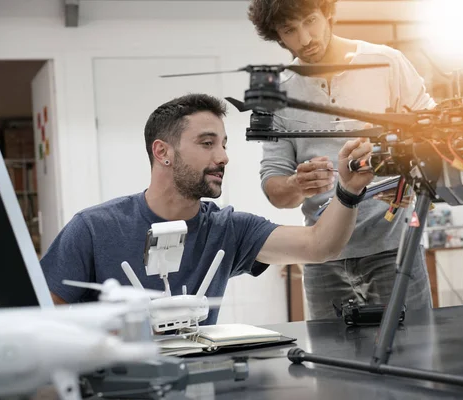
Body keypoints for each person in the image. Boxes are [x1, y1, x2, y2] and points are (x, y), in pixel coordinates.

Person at [40, 93, 374, 325]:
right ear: (163, 152)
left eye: (224, 144)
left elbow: (320, 245)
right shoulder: (93, 229)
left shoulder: (227, 229)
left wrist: (349, 190)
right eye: (207, 143)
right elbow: (41, 320)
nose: (224, 156)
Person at [248, 0, 435, 319]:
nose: (305, 38)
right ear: (278, 37)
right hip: (322, 256)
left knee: (413, 352)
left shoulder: (386, 63)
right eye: (290, 30)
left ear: (328, 13)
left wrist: (404, 149)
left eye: (310, 21)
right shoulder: (277, 98)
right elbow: (276, 190)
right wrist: (297, 184)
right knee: (333, 361)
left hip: (392, 247)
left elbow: (435, 135)